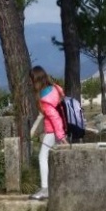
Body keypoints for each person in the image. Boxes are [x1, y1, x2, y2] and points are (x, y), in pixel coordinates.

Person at [29, 66, 67, 200]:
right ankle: (56, 187)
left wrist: (61, 136)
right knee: (53, 158)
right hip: (60, 130)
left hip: (53, 132)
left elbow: (54, 117)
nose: (31, 83)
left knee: (42, 157)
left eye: (32, 80)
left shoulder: (45, 98)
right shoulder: (56, 88)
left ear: (36, 80)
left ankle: (45, 189)